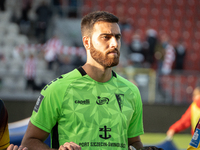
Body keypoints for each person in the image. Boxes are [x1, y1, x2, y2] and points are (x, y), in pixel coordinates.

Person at [7, 11, 162, 150]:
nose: (114, 44)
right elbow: (29, 142)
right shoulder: (57, 89)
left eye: (117, 37)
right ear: (87, 42)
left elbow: (133, 142)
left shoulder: (131, 91)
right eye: (106, 37)